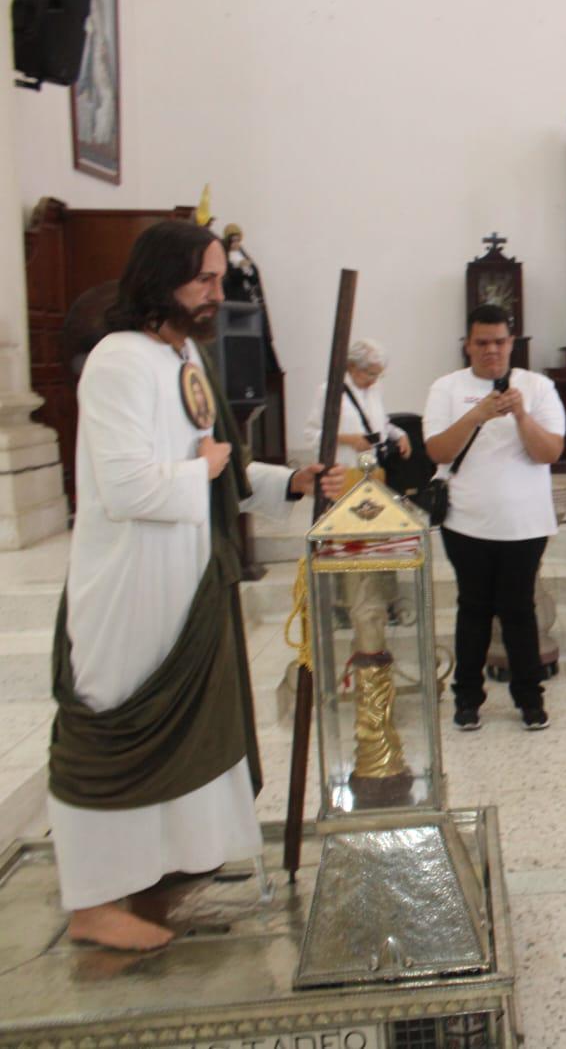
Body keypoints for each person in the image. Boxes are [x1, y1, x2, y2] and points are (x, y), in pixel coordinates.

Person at [48, 220, 343, 951]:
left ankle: (162, 876)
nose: (218, 293)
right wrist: (204, 469)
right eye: (204, 280)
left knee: (185, 738)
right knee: (119, 725)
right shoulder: (118, 361)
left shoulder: (187, 357)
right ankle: (93, 903)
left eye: (219, 279)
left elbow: (227, 470)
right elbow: (125, 488)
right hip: (130, 586)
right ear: (159, 279)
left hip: (188, 581)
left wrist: (294, 481)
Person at [425, 304, 566, 731]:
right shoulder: (447, 388)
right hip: (466, 522)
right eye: (482, 342)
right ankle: (467, 699)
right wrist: (476, 414)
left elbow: (549, 453)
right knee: (473, 609)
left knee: (519, 611)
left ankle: (529, 699)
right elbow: (438, 452)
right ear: (468, 345)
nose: (491, 350)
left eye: (499, 342)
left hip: (525, 524)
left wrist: (520, 414)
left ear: (512, 343)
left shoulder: (537, 388)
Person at [303, 337, 413, 470]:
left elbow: (381, 424)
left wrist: (400, 435)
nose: (374, 380)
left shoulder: (375, 389)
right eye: (371, 374)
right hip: (340, 472)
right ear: (352, 366)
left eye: (378, 375)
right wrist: (349, 439)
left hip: (371, 469)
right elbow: (311, 434)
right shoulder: (330, 391)